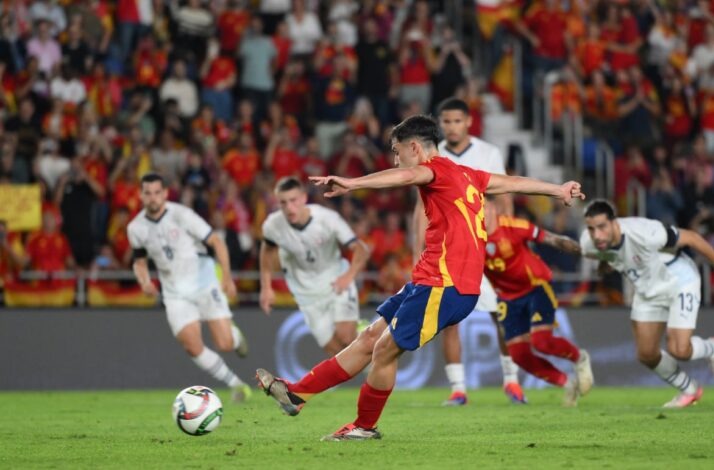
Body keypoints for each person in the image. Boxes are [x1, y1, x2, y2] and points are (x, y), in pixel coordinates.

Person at [255, 115, 584, 441]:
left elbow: (407, 175)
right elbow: (512, 183)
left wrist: (353, 183)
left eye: (398, 152)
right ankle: (297, 395)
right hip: (428, 281)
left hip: (445, 285)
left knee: (384, 350)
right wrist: (557, 189)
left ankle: (363, 427)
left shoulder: (433, 170)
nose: (396, 160)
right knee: (369, 339)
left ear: (415, 147)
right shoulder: (468, 174)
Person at [412, 97, 522, 406]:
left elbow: (504, 196)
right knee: (450, 319)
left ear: (469, 122)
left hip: (486, 246)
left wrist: (507, 241)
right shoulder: (434, 155)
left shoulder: (488, 153)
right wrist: (415, 253)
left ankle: (511, 381)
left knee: (501, 314)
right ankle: (458, 388)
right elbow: (421, 210)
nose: (452, 126)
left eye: (457, 121)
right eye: (446, 121)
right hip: (449, 249)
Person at [580, 200, 714, 408]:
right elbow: (605, 250)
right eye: (591, 229)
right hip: (647, 289)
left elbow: (691, 237)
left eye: (602, 227)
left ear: (614, 223)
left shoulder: (645, 231)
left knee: (680, 350)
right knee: (646, 354)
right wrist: (605, 260)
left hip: (678, 280)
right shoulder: (590, 242)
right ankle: (689, 389)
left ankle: (712, 348)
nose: (596, 234)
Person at [127, 173, 252, 402]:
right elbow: (140, 261)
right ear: (141, 195)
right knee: (192, 346)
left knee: (224, 344)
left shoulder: (182, 215)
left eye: (157, 192)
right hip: (174, 293)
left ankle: (234, 335)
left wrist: (226, 276)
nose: (153, 198)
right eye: (148, 193)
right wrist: (144, 281)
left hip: (203, 283)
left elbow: (215, 241)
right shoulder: (136, 228)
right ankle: (236, 384)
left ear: (165, 193)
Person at [482, 199, 592, 407]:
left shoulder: (514, 227)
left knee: (541, 342)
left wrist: (583, 250)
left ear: (493, 210)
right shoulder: (472, 239)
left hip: (536, 287)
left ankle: (580, 359)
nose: (481, 216)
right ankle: (567, 383)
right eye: (476, 212)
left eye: (484, 210)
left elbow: (551, 239)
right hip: (507, 297)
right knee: (519, 355)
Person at [259, 176, 370, 356]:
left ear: (303, 198)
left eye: (293, 200)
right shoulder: (273, 225)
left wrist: (348, 277)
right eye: (283, 203)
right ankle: (364, 341)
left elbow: (360, 249)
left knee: (346, 337)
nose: (289, 208)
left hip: (336, 281)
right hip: (306, 294)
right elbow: (267, 250)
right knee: (335, 350)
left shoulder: (328, 219)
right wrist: (266, 287)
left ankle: (359, 330)